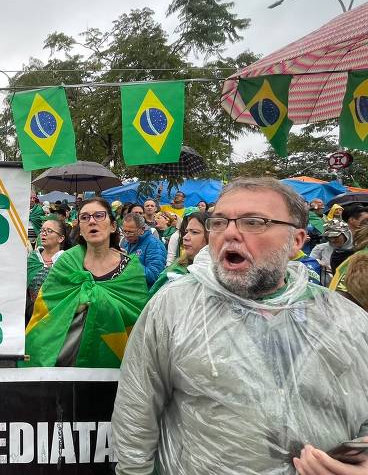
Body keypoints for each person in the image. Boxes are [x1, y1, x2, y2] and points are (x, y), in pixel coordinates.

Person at [112, 177, 368, 475]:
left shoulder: (344, 320)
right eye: (219, 222)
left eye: (254, 222)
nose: (230, 233)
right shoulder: (174, 307)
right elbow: (136, 411)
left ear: (296, 241)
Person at [21, 197, 148, 368]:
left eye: (99, 215)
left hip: (115, 362)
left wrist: (92, 299)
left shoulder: (130, 268)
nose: (92, 221)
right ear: (80, 229)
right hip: (65, 363)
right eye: (85, 217)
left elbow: (137, 318)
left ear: (112, 226)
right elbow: (46, 308)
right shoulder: (67, 261)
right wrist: (75, 303)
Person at [148, 211, 209, 296]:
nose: (185, 237)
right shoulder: (176, 267)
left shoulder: (218, 275)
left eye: (194, 232)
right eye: (187, 231)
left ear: (212, 236)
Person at [26, 216, 70, 323]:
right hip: (30, 316)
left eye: (49, 231)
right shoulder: (31, 260)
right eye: (42, 230)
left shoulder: (68, 262)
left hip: (57, 318)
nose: (43, 234)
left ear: (61, 238)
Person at [120, 213, 166, 287]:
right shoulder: (125, 242)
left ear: (142, 229)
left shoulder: (154, 245)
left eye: (131, 232)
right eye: (124, 231)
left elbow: (154, 276)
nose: (126, 235)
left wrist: (128, 261)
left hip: (145, 293)